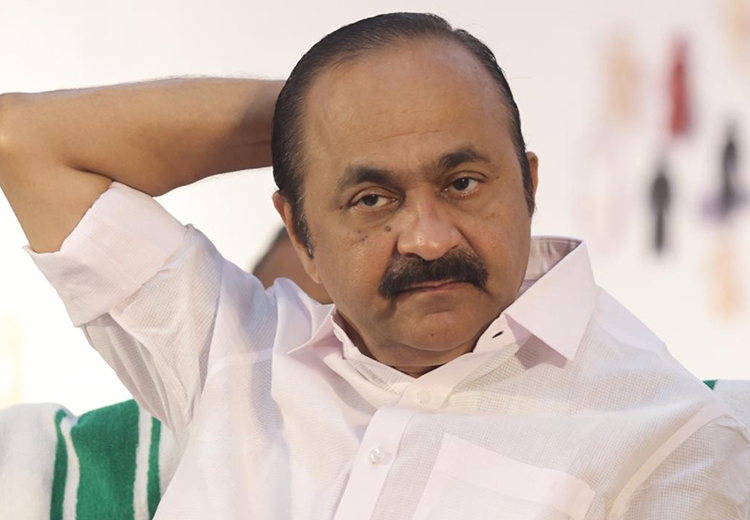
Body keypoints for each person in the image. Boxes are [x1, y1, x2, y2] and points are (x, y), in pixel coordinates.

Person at [0, 12, 747, 520]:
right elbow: (25, 141)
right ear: (301, 233)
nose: (427, 238)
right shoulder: (231, 352)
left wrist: (369, 116)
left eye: (462, 182)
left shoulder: (668, 435)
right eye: (371, 198)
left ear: (528, 185)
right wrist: (323, 112)